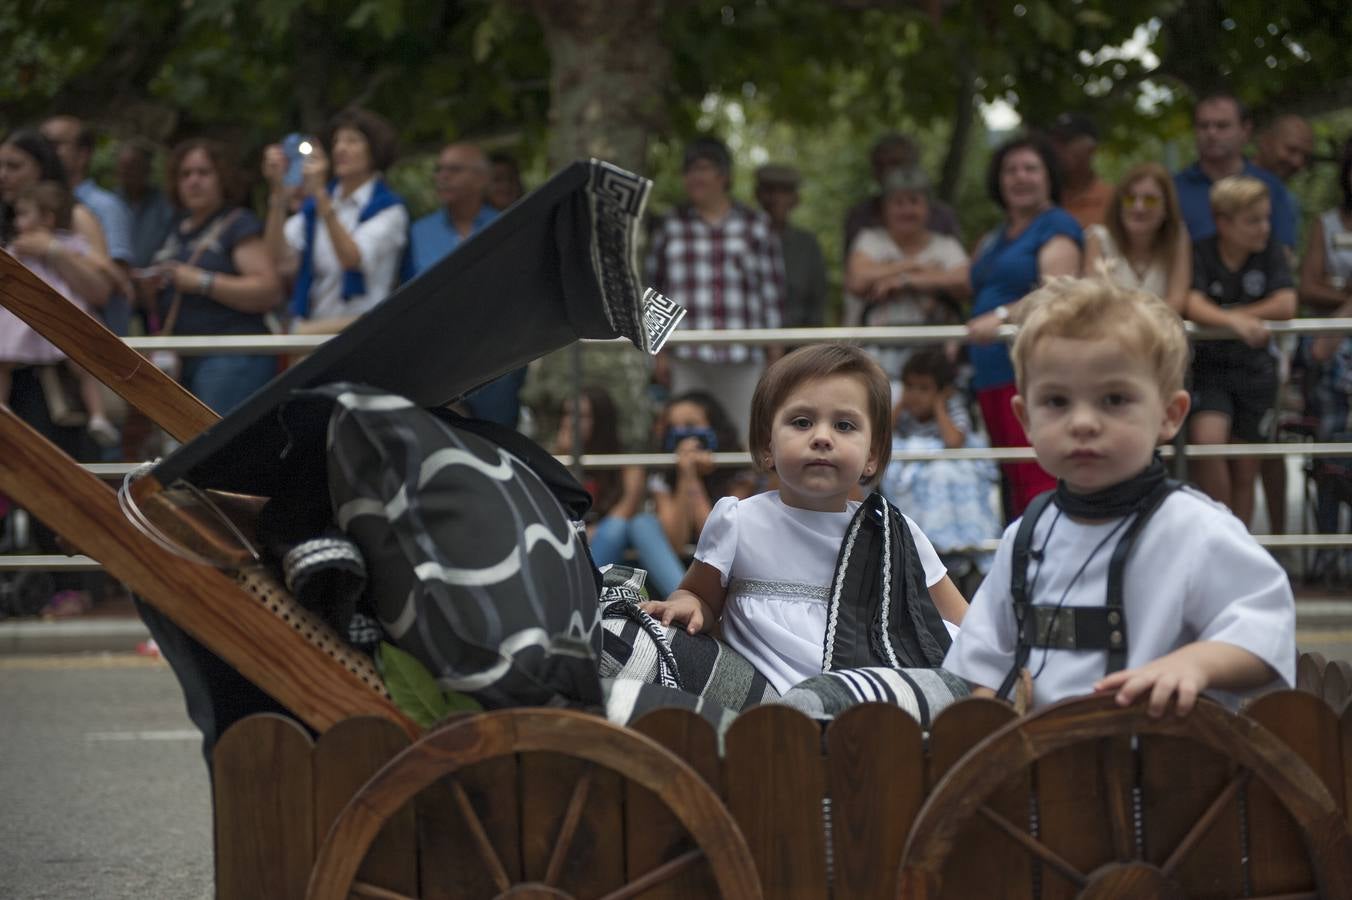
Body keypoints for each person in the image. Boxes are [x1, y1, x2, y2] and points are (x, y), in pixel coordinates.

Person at [944, 277, 1294, 715]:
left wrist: (1196, 663)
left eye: (1113, 399)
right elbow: (983, 664)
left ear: (1169, 415)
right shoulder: (1025, 537)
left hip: (1166, 768)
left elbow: (1267, 633)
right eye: (1056, 401)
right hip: (1047, 771)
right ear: (1025, 418)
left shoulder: (1196, 530)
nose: (1084, 422)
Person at [639, 344, 968, 695]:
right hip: (766, 705)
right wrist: (689, 605)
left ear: (871, 454)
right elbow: (696, 592)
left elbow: (962, 622)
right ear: (768, 445)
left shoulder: (893, 533)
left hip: (876, 699)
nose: (822, 437)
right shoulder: (739, 522)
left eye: (844, 425)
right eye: (801, 422)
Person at [966, 135, 1083, 519]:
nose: (1020, 177)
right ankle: (1020, 570)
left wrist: (999, 317)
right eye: (1010, 170)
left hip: (1032, 370)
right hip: (991, 375)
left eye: (1030, 168)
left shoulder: (1058, 226)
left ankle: (1049, 568)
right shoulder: (995, 236)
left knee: (1039, 477)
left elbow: (1058, 293)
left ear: (1049, 176)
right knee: (1010, 478)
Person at [646, 136, 785, 441]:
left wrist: (775, 357)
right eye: (688, 171)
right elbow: (654, 290)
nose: (693, 177)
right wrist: (658, 353)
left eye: (702, 169)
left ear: (723, 176)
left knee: (746, 436)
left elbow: (771, 295)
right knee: (687, 437)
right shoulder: (671, 225)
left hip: (742, 354)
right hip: (687, 354)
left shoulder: (756, 224)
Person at [134, 139, 283, 415]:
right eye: (185, 174)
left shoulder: (238, 223)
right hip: (181, 358)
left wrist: (203, 282)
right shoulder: (173, 229)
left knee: (212, 445)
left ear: (222, 178)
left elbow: (268, 290)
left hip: (231, 355)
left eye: (204, 173)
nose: (194, 181)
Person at [1185, 176, 1296, 528]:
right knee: (1208, 443)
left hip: (1255, 373)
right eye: (1253, 220)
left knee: (1245, 468)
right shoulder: (1201, 252)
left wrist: (1238, 317)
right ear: (1223, 222)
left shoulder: (1271, 253)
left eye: (1266, 218)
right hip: (1210, 370)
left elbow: (1286, 303)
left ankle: (1240, 546)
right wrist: (1233, 322)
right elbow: (1192, 302)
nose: (1264, 228)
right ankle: (1219, 531)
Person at [263, 107, 409, 333]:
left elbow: (351, 258)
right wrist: (278, 194)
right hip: (318, 328)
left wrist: (320, 194)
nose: (341, 148)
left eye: (352, 141)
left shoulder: (390, 209)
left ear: (375, 150)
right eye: (337, 141)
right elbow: (277, 257)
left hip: (366, 330)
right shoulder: (317, 207)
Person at [409, 142, 523, 428]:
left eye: (455, 170)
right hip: (434, 367)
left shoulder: (507, 228)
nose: (443, 176)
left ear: (482, 179)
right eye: (440, 170)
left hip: (495, 370)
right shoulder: (419, 232)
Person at [2, 181, 117, 446]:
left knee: (83, 365)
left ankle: (98, 416)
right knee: (4, 359)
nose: (18, 221)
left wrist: (54, 250)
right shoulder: (19, 246)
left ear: (47, 218)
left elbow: (98, 265)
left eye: (24, 214)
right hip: (24, 321)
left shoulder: (67, 242)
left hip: (65, 315)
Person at [554, 385, 687, 598]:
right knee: (622, 526)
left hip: (611, 545)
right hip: (575, 550)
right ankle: (685, 597)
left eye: (583, 416)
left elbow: (623, 512)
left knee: (639, 523)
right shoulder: (556, 461)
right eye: (567, 414)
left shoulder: (626, 465)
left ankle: (684, 599)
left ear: (602, 420)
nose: (571, 422)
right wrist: (564, 454)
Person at [880, 348, 1000, 581]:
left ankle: (952, 541)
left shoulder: (952, 408)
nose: (915, 395)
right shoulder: (903, 412)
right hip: (916, 467)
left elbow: (954, 441)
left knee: (945, 473)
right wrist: (900, 404)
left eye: (924, 389)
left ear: (943, 392)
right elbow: (883, 435)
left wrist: (939, 406)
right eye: (910, 387)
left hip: (945, 463)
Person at [842, 165, 969, 375]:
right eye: (898, 203)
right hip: (877, 355)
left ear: (928, 208)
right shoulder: (870, 240)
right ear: (885, 208)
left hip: (936, 358)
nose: (906, 210)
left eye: (914, 202)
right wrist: (914, 266)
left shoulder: (946, 245)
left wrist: (904, 281)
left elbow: (965, 281)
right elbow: (857, 280)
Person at [40, 115, 135, 332]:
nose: (46, 152)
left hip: (94, 342)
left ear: (83, 155)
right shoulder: (32, 204)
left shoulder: (105, 206)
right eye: (43, 144)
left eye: (55, 144)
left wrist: (52, 249)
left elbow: (117, 280)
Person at [1173, 92, 1298, 251]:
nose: (1211, 133)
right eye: (1203, 126)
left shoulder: (1271, 188)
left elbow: (1284, 255)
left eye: (1222, 126)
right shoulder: (1173, 189)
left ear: (1245, 131)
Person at [649, 390, 758, 565]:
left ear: (714, 428)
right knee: (642, 524)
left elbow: (717, 539)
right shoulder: (663, 476)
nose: (681, 434)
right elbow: (676, 543)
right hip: (676, 564)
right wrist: (686, 474)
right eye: (673, 427)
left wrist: (694, 479)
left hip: (725, 566)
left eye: (690, 425)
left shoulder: (740, 472)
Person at [1084, 162, 1191, 312]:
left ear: (1166, 207)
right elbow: (1098, 302)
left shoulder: (1178, 237)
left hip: (1162, 332)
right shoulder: (1097, 239)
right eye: (1130, 199)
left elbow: (1177, 301)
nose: (1138, 207)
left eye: (1150, 200)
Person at [842, 133, 962, 260]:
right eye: (880, 165)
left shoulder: (942, 216)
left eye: (895, 163)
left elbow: (958, 268)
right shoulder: (860, 216)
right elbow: (853, 272)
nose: (887, 171)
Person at [754, 163, 827, 329]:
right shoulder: (744, 239)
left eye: (785, 191)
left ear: (796, 199)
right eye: (770, 191)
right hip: (752, 342)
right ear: (758, 195)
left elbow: (817, 304)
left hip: (797, 342)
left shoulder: (807, 245)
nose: (776, 199)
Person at [115, 138, 177, 270]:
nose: (126, 172)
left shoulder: (165, 204)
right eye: (123, 166)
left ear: (147, 169)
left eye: (133, 166)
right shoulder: (110, 202)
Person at [1045, 113, 1112, 228]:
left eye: (1067, 141)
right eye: (1055, 142)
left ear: (1092, 147)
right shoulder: (1041, 198)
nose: (1058, 149)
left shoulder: (1113, 201)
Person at [1254, 114, 1315, 184]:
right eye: (1291, 150)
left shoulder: (1282, 194)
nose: (1297, 162)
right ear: (1265, 141)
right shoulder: (1239, 175)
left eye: (1306, 157)